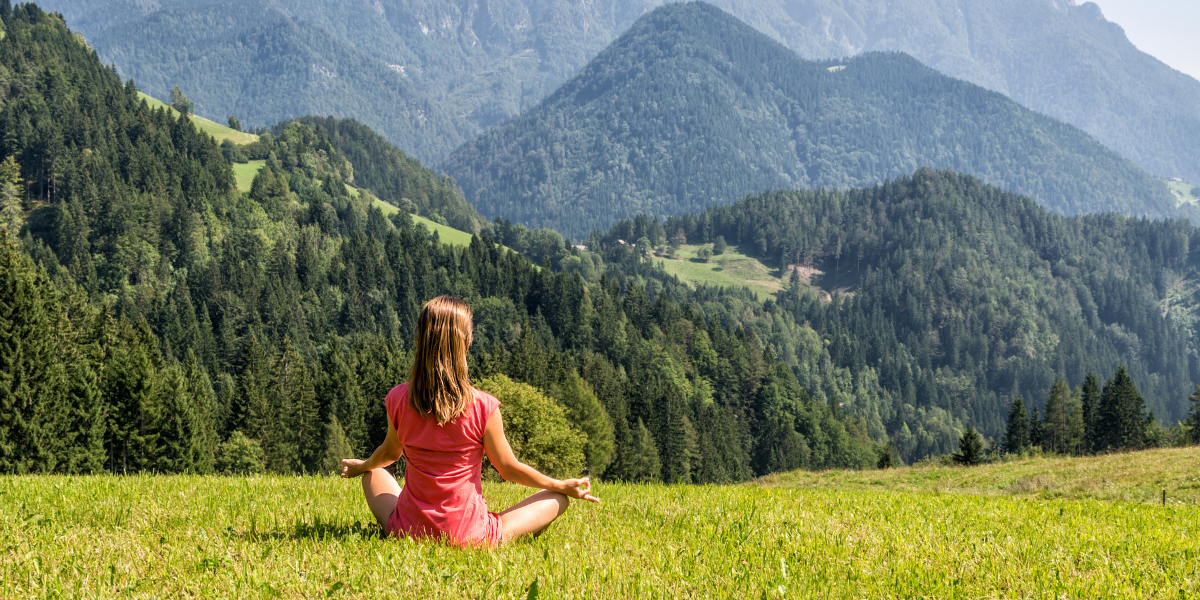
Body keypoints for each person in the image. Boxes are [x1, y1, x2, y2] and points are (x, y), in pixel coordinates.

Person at [340, 296, 599, 547]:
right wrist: (559, 484)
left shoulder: (397, 399)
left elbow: (388, 453)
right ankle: (498, 532)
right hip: (470, 535)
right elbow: (508, 469)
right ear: (466, 342)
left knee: (372, 473)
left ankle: (403, 522)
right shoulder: (484, 407)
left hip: (408, 531)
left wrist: (361, 466)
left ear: (421, 339)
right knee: (558, 499)